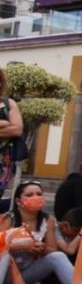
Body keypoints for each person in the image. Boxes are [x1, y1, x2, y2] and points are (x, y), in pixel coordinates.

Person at [0, 67, 25, 207]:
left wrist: (7, 125)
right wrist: (4, 123)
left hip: (3, 163)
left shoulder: (9, 104)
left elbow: (16, 129)